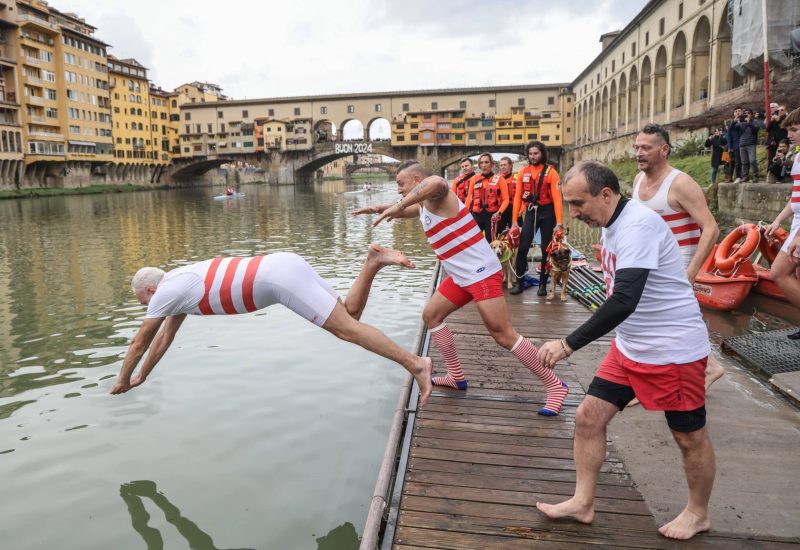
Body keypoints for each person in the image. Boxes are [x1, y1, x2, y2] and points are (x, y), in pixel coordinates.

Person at [536, 160, 716, 541]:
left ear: (606, 194)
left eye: (579, 203)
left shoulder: (637, 226)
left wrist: (568, 344)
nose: (574, 213)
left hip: (672, 349)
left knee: (688, 437)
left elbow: (624, 301)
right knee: (588, 418)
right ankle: (583, 503)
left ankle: (698, 513)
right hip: (632, 346)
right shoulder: (610, 224)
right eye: (569, 204)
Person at [352, 160, 569, 415]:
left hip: (481, 273)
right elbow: (405, 211)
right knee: (431, 316)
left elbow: (436, 182)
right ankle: (456, 376)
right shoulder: (423, 204)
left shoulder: (438, 194)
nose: (399, 190)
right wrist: (380, 209)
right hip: (460, 276)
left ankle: (555, 385)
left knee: (503, 334)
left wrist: (399, 204)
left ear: (416, 180)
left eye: (401, 184)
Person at [110, 245, 434, 404]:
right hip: (284, 263)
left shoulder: (165, 293)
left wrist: (121, 379)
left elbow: (140, 342)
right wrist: (141, 377)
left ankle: (416, 364)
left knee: (346, 330)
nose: (148, 308)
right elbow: (163, 339)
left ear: (150, 292)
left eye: (145, 302)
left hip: (275, 280)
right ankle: (373, 261)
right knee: (350, 316)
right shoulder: (178, 282)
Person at [631, 124, 724, 391]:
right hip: (650, 259)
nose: (639, 153)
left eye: (646, 148)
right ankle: (704, 368)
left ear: (664, 150)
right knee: (655, 317)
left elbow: (711, 228)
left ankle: (703, 370)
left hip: (679, 258)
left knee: (670, 318)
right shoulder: (638, 181)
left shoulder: (681, 183)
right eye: (637, 147)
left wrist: (692, 271)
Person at [510, 141, 563, 297]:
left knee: (546, 250)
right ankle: (519, 283)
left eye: (536, 153)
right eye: (531, 154)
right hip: (531, 213)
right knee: (522, 249)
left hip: (548, 213)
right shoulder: (523, 172)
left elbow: (558, 199)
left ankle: (542, 285)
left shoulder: (552, 173)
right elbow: (518, 197)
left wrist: (559, 223)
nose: (533, 156)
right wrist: (514, 221)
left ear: (542, 154)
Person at [767, 107, 800, 339]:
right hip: (797, 223)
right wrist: (778, 220)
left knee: (779, 272)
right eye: (789, 130)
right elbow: (796, 198)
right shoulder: (798, 156)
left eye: (795, 129)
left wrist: (799, 236)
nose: (790, 135)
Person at [464, 152, 510, 243]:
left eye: (486, 162)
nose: (484, 165)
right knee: (473, 243)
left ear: (491, 164)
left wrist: (499, 213)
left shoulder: (500, 179)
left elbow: (506, 199)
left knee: (491, 243)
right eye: (481, 163)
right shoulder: (474, 179)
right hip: (476, 215)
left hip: (492, 216)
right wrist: (465, 215)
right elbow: (469, 198)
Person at [737, 108, 765, 183]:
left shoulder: (755, 122)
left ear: (751, 114)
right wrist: (744, 122)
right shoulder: (742, 123)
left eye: (748, 113)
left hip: (751, 144)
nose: (747, 114)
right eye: (745, 113)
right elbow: (739, 130)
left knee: (752, 160)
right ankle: (745, 176)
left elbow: (756, 129)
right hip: (742, 144)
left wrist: (749, 123)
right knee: (744, 162)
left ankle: (755, 176)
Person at [497, 156, 519, 234]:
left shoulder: (518, 178)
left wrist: (521, 210)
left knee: (516, 233)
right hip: (501, 210)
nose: (503, 167)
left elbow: (522, 196)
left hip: (514, 209)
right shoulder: (496, 179)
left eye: (505, 165)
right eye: (501, 165)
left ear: (511, 165)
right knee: (499, 233)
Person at [725, 108, 743, 183]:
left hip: (743, 143)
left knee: (742, 161)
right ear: (734, 114)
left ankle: (742, 176)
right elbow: (728, 135)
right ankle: (732, 177)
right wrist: (729, 147)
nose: (737, 112)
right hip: (733, 145)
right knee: (731, 162)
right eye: (735, 111)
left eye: (739, 111)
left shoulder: (744, 120)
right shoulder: (731, 123)